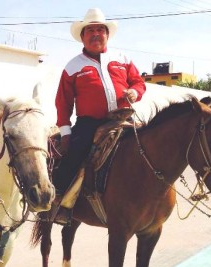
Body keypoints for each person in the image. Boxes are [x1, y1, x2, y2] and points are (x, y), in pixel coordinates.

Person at [50, 8, 146, 223]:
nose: (96, 34)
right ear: (82, 37)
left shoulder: (122, 58)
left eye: (100, 30)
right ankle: (60, 201)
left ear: (107, 34)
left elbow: (138, 82)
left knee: (148, 145)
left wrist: (135, 92)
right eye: (90, 30)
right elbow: (63, 102)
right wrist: (65, 133)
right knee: (75, 154)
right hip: (89, 123)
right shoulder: (73, 66)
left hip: (123, 118)